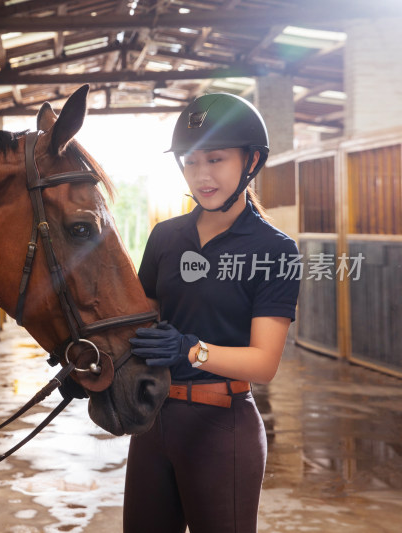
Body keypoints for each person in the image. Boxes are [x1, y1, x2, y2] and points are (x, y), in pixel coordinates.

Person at [123, 93, 300, 532]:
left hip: (223, 428)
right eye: (190, 161)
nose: (201, 175)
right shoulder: (165, 238)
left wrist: (190, 351)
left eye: (216, 159)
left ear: (251, 161)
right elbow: (141, 321)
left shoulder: (275, 251)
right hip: (154, 422)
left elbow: (264, 362)